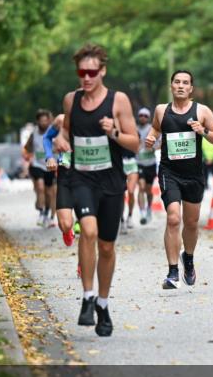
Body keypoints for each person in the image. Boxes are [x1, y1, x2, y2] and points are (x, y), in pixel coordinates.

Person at [54, 43, 139, 337]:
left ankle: (103, 304)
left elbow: (135, 142)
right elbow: (65, 132)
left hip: (111, 182)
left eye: (92, 72)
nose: (86, 78)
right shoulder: (70, 100)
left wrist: (113, 132)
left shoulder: (118, 102)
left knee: (106, 246)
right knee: (87, 231)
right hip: (82, 178)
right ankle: (87, 297)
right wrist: (61, 142)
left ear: (102, 71)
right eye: (82, 72)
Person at [143, 69, 213, 289]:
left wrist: (203, 131)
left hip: (194, 175)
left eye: (185, 83)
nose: (180, 85)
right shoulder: (161, 110)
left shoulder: (202, 111)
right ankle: (172, 272)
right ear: (171, 86)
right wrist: (151, 138)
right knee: (173, 219)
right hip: (170, 172)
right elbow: (155, 130)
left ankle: (188, 258)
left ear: (191, 89)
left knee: (191, 223)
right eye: (176, 82)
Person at [43, 113, 77, 246]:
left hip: (89, 173)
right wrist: (49, 156)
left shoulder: (99, 116)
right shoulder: (61, 120)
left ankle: (85, 264)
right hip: (66, 170)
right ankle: (68, 230)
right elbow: (47, 137)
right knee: (65, 224)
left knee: (89, 225)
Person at [25, 109, 56, 228]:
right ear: (37, 121)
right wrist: (29, 154)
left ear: (48, 121)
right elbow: (27, 147)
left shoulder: (53, 131)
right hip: (37, 164)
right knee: (40, 186)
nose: (43, 123)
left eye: (45, 120)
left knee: (50, 193)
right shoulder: (34, 133)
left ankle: (47, 212)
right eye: (41, 121)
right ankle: (41, 211)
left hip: (49, 165)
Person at [135, 107, 158, 225]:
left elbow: (160, 143)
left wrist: (152, 148)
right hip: (139, 163)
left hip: (151, 163)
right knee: (141, 187)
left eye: (145, 115)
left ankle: (149, 208)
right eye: (140, 115)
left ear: (148, 118)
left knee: (149, 190)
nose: (142, 117)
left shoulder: (152, 129)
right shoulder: (134, 129)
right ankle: (142, 212)